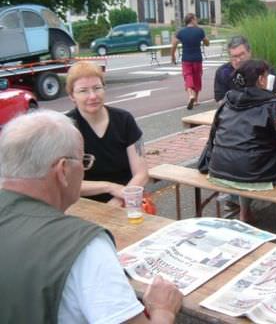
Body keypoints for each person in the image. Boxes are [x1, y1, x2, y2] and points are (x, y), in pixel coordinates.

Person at [0, 110, 182, 323]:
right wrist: (163, 310)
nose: (84, 171)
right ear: (63, 170)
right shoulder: (84, 247)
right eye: (83, 161)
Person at [199, 59, 276, 223]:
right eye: (266, 76)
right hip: (256, 175)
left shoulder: (226, 103)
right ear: (261, 79)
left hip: (219, 170)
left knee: (247, 159)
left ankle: (245, 212)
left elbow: (213, 138)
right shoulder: (274, 105)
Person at [66, 61, 149, 205]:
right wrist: (109, 187)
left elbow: (141, 174)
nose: (92, 96)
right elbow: (67, 184)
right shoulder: (64, 128)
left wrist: (119, 200)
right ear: (72, 96)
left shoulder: (124, 120)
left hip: (126, 198)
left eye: (97, 88)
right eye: (83, 90)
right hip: (83, 205)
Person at [214, 35, 276, 102]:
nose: (238, 60)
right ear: (229, 56)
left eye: (242, 55)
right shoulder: (222, 72)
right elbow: (220, 99)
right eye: (234, 56)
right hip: (235, 111)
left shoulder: (263, 68)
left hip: (265, 109)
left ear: (249, 52)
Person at [171, 13, 209, 109]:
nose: (197, 21)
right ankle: (195, 100)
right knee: (197, 78)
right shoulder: (200, 31)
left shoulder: (181, 32)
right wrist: (203, 38)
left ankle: (190, 95)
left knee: (188, 77)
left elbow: (174, 44)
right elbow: (207, 43)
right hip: (197, 59)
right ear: (192, 20)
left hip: (186, 59)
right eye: (196, 19)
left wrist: (173, 56)